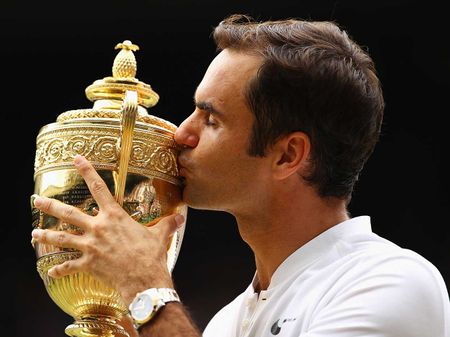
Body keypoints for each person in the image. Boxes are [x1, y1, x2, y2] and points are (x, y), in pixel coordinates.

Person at [31, 14, 450, 337]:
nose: (181, 133)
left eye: (210, 119)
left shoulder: (392, 283)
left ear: (288, 155)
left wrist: (147, 289)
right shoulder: (226, 323)